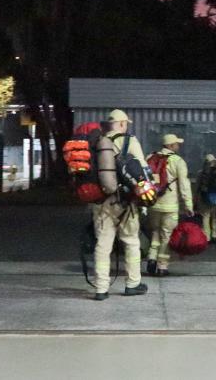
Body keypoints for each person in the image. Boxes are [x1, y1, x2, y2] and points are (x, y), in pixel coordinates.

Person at [92, 109, 149, 301]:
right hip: (126, 203)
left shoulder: (97, 142)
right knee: (131, 241)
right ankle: (132, 284)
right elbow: (143, 171)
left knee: (103, 245)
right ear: (123, 124)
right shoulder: (130, 141)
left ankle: (101, 289)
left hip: (101, 202)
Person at [145, 133, 194, 277]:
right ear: (171, 146)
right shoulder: (178, 161)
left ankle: (151, 259)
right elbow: (184, 185)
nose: (178, 146)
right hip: (170, 205)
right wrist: (188, 205)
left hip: (152, 203)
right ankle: (162, 266)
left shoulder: (150, 158)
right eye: (177, 144)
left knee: (155, 232)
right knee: (166, 235)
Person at [196, 154, 216, 243]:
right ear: (214, 162)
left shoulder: (200, 173)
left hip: (205, 197)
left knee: (205, 216)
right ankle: (215, 234)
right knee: (215, 216)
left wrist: (196, 198)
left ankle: (207, 236)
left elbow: (198, 186)